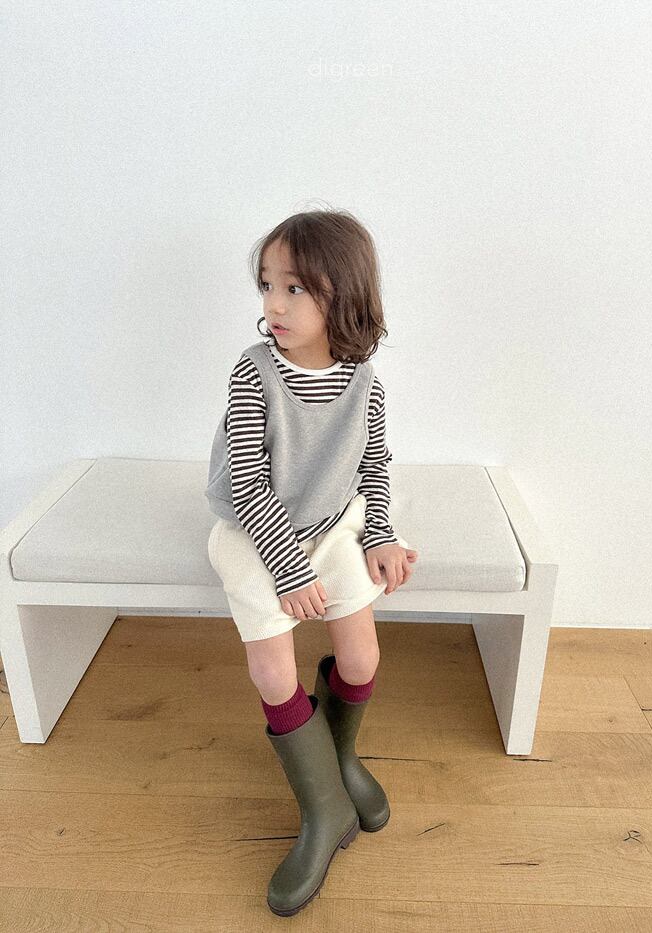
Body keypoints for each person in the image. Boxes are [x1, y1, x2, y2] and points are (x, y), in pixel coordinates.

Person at [205, 208, 419, 916]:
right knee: (274, 670)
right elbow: (248, 483)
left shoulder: (366, 383)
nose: (273, 303)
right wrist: (288, 568)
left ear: (343, 294)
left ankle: (339, 759)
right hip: (253, 530)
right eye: (267, 284)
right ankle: (323, 808)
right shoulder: (253, 372)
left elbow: (372, 467)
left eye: (294, 287)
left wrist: (380, 534)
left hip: (331, 524)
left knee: (360, 658)